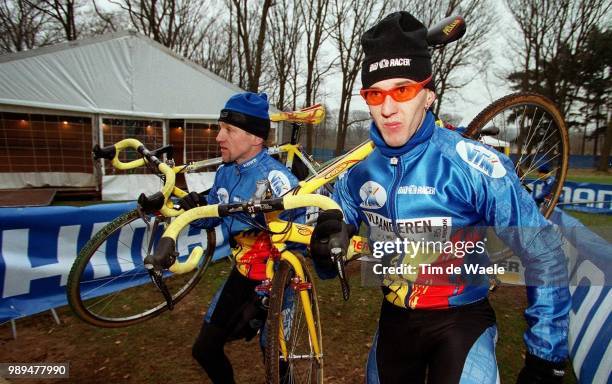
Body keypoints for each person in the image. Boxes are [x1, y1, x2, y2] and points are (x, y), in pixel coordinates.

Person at [309, 12, 570, 384]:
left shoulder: (473, 165)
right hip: (395, 323)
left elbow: (543, 250)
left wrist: (546, 358)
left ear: (428, 94)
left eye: (402, 91)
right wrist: (326, 237)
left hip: (460, 322)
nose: (387, 108)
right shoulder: (358, 174)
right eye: (375, 93)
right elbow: (331, 244)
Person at [179, 92, 301, 383]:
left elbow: (300, 236)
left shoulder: (278, 180)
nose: (219, 137)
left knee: (276, 363)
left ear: (256, 138)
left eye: (229, 130)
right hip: (243, 274)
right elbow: (212, 217)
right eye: (220, 128)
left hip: (277, 280)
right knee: (205, 349)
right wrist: (196, 206)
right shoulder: (225, 172)